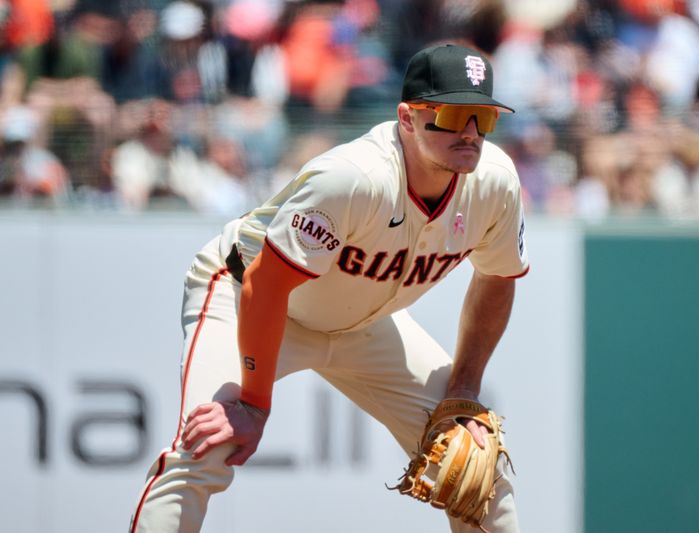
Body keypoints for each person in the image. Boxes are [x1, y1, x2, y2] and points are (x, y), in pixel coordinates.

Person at [129, 42, 529, 532]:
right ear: (407, 118)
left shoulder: (495, 183)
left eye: (483, 119)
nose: (469, 133)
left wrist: (462, 393)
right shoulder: (352, 179)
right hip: (245, 295)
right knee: (203, 449)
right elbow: (266, 286)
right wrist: (253, 403)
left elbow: (496, 278)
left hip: (365, 322)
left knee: (477, 470)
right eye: (452, 114)